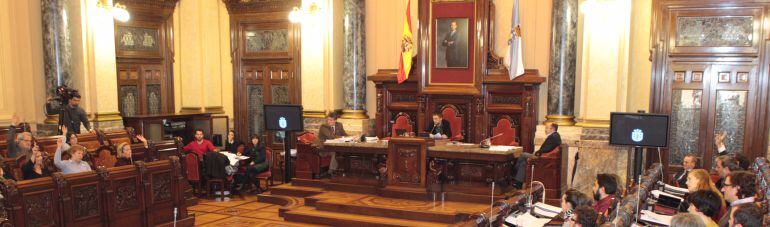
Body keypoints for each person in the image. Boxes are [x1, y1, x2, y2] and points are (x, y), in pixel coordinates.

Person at [511, 122, 562, 187]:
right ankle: (518, 181)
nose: (545, 130)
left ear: (552, 129)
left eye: (546, 128)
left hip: (541, 158)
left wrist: (536, 153)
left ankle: (514, 172)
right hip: (543, 156)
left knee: (522, 155)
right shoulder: (555, 136)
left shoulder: (553, 137)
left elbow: (546, 149)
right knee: (523, 162)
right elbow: (547, 148)